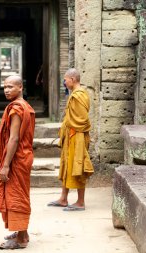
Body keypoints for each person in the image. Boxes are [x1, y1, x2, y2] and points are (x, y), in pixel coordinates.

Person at [0, 75, 35, 249]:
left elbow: (14, 138)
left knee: (16, 196)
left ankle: (20, 240)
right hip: (23, 156)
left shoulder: (17, 109)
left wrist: (5, 165)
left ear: (20, 88)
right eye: (5, 87)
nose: (6, 90)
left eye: (11, 87)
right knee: (19, 194)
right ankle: (22, 232)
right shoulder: (25, 106)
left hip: (17, 158)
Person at [47, 68, 94, 211]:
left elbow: (83, 120)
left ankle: (80, 202)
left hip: (77, 136)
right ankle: (63, 198)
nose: (64, 82)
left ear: (72, 79)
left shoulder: (79, 95)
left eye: (66, 79)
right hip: (70, 136)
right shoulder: (74, 94)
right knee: (67, 165)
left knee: (78, 166)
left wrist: (71, 127)